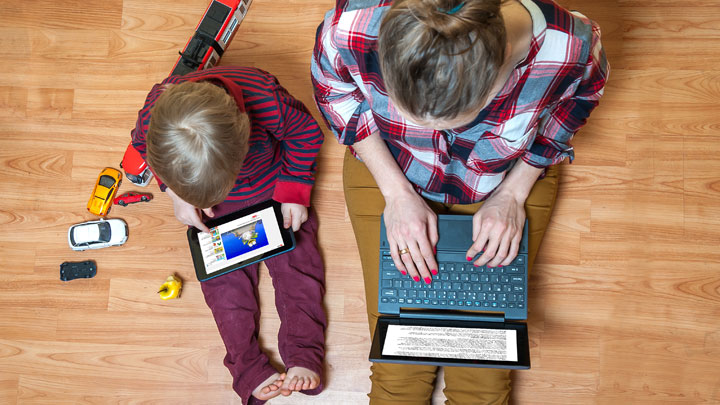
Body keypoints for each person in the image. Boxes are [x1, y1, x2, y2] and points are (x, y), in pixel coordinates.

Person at [312, 0, 608, 403]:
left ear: (494, 84)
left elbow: (578, 102)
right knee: (397, 373)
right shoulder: (349, 26)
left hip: (505, 181)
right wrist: (397, 194)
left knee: (482, 382)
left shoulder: (570, 47)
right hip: (389, 170)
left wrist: (514, 193)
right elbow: (336, 95)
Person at [130, 66, 326, 404]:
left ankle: (304, 353)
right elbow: (139, 147)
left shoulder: (266, 97)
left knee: (299, 269)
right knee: (224, 289)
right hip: (216, 213)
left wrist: (294, 190)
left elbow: (306, 134)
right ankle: (247, 368)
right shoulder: (152, 117)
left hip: (275, 195)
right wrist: (177, 195)